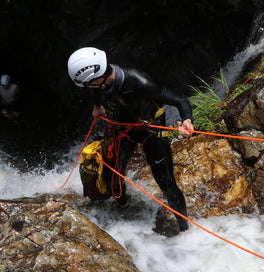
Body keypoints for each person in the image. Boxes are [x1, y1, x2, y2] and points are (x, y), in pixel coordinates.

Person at [67, 47, 194, 232]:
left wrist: (187, 121)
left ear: (96, 78)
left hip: (151, 128)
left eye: (88, 84)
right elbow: (98, 90)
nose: (88, 87)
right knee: (113, 175)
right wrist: (98, 106)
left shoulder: (138, 81)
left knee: (166, 183)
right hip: (123, 128)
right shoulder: (101, 81)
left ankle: (185, 229)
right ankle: (123, 206)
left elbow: (180, 100)